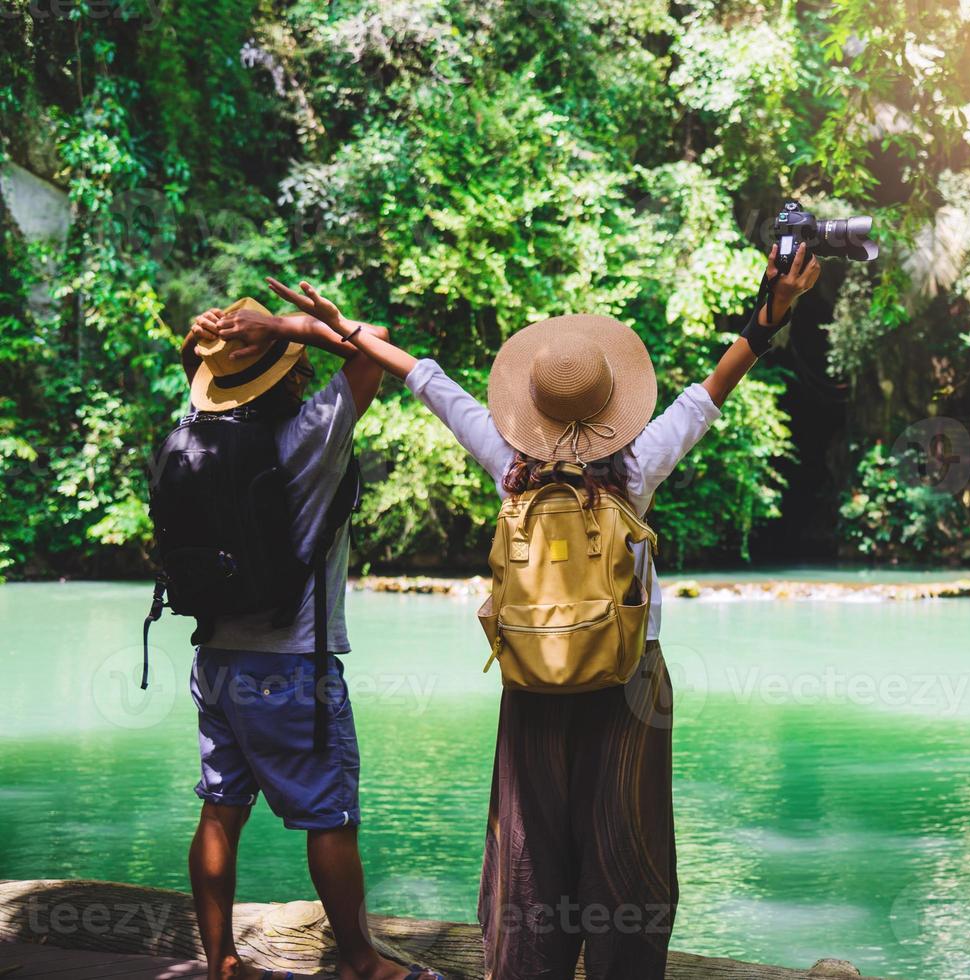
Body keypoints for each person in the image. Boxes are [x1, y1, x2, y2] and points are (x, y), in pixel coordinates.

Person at [229, 243, 821, 979]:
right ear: (612, 406)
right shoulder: (637, 467)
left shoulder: (508, 466)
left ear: (531, 404)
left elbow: (423, 378)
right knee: (625, 852)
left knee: (529, 852)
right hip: (630, 686)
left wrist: (327, 327)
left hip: (532, 679)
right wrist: (771, 313)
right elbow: (714, 387)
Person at [177, 303, 438, 980]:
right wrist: (290, 327)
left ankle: (221, 963)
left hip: (217, 659)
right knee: (331, 819)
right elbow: (374, 344)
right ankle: (363, 964)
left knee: (220, 809)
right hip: (292, 663)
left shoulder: (196, 432)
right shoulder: (312, 430)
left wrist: (210, 339)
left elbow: (197, 368)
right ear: (290, 374)